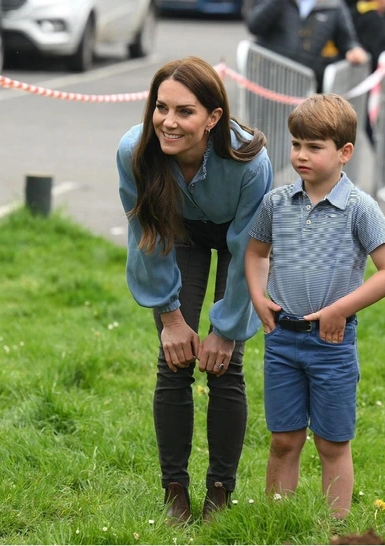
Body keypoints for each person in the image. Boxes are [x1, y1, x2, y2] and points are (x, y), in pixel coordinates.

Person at [116, 56, 273, 525]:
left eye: (185, 111)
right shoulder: (134, 151)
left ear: (213, 118)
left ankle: (220, 494)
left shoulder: (249, 161)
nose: (168, 121)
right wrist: (170, 318)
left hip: (236, 239)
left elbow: (251, 249)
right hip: (176, 232)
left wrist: (226, 330)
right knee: (174, 358)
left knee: (227, 365)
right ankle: (175, 493)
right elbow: (146, 236)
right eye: (161, 108)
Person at [244, 93, 385, 519]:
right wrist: (259, 297)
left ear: (344, 152)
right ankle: (279, 522)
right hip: (282, 341)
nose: (301, 155)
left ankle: (336, 528)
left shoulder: (359, 208)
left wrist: (339, 309)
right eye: (296, 144)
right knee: (283, 439)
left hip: (332, 345)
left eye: (314, 147)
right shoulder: (276, 203)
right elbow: (256, 253)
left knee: (332, 443)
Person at [247, 0, 369, 91]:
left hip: (305, 84)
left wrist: (353, 49)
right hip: (267, 80)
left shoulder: (334, 5)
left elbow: (347, 39)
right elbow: (254, 26)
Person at [346, 0, 385, 145]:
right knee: (369, 127)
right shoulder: (375, 20)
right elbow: (377, 52)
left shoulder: (354, 11)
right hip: (367, 84)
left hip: (355, 81)